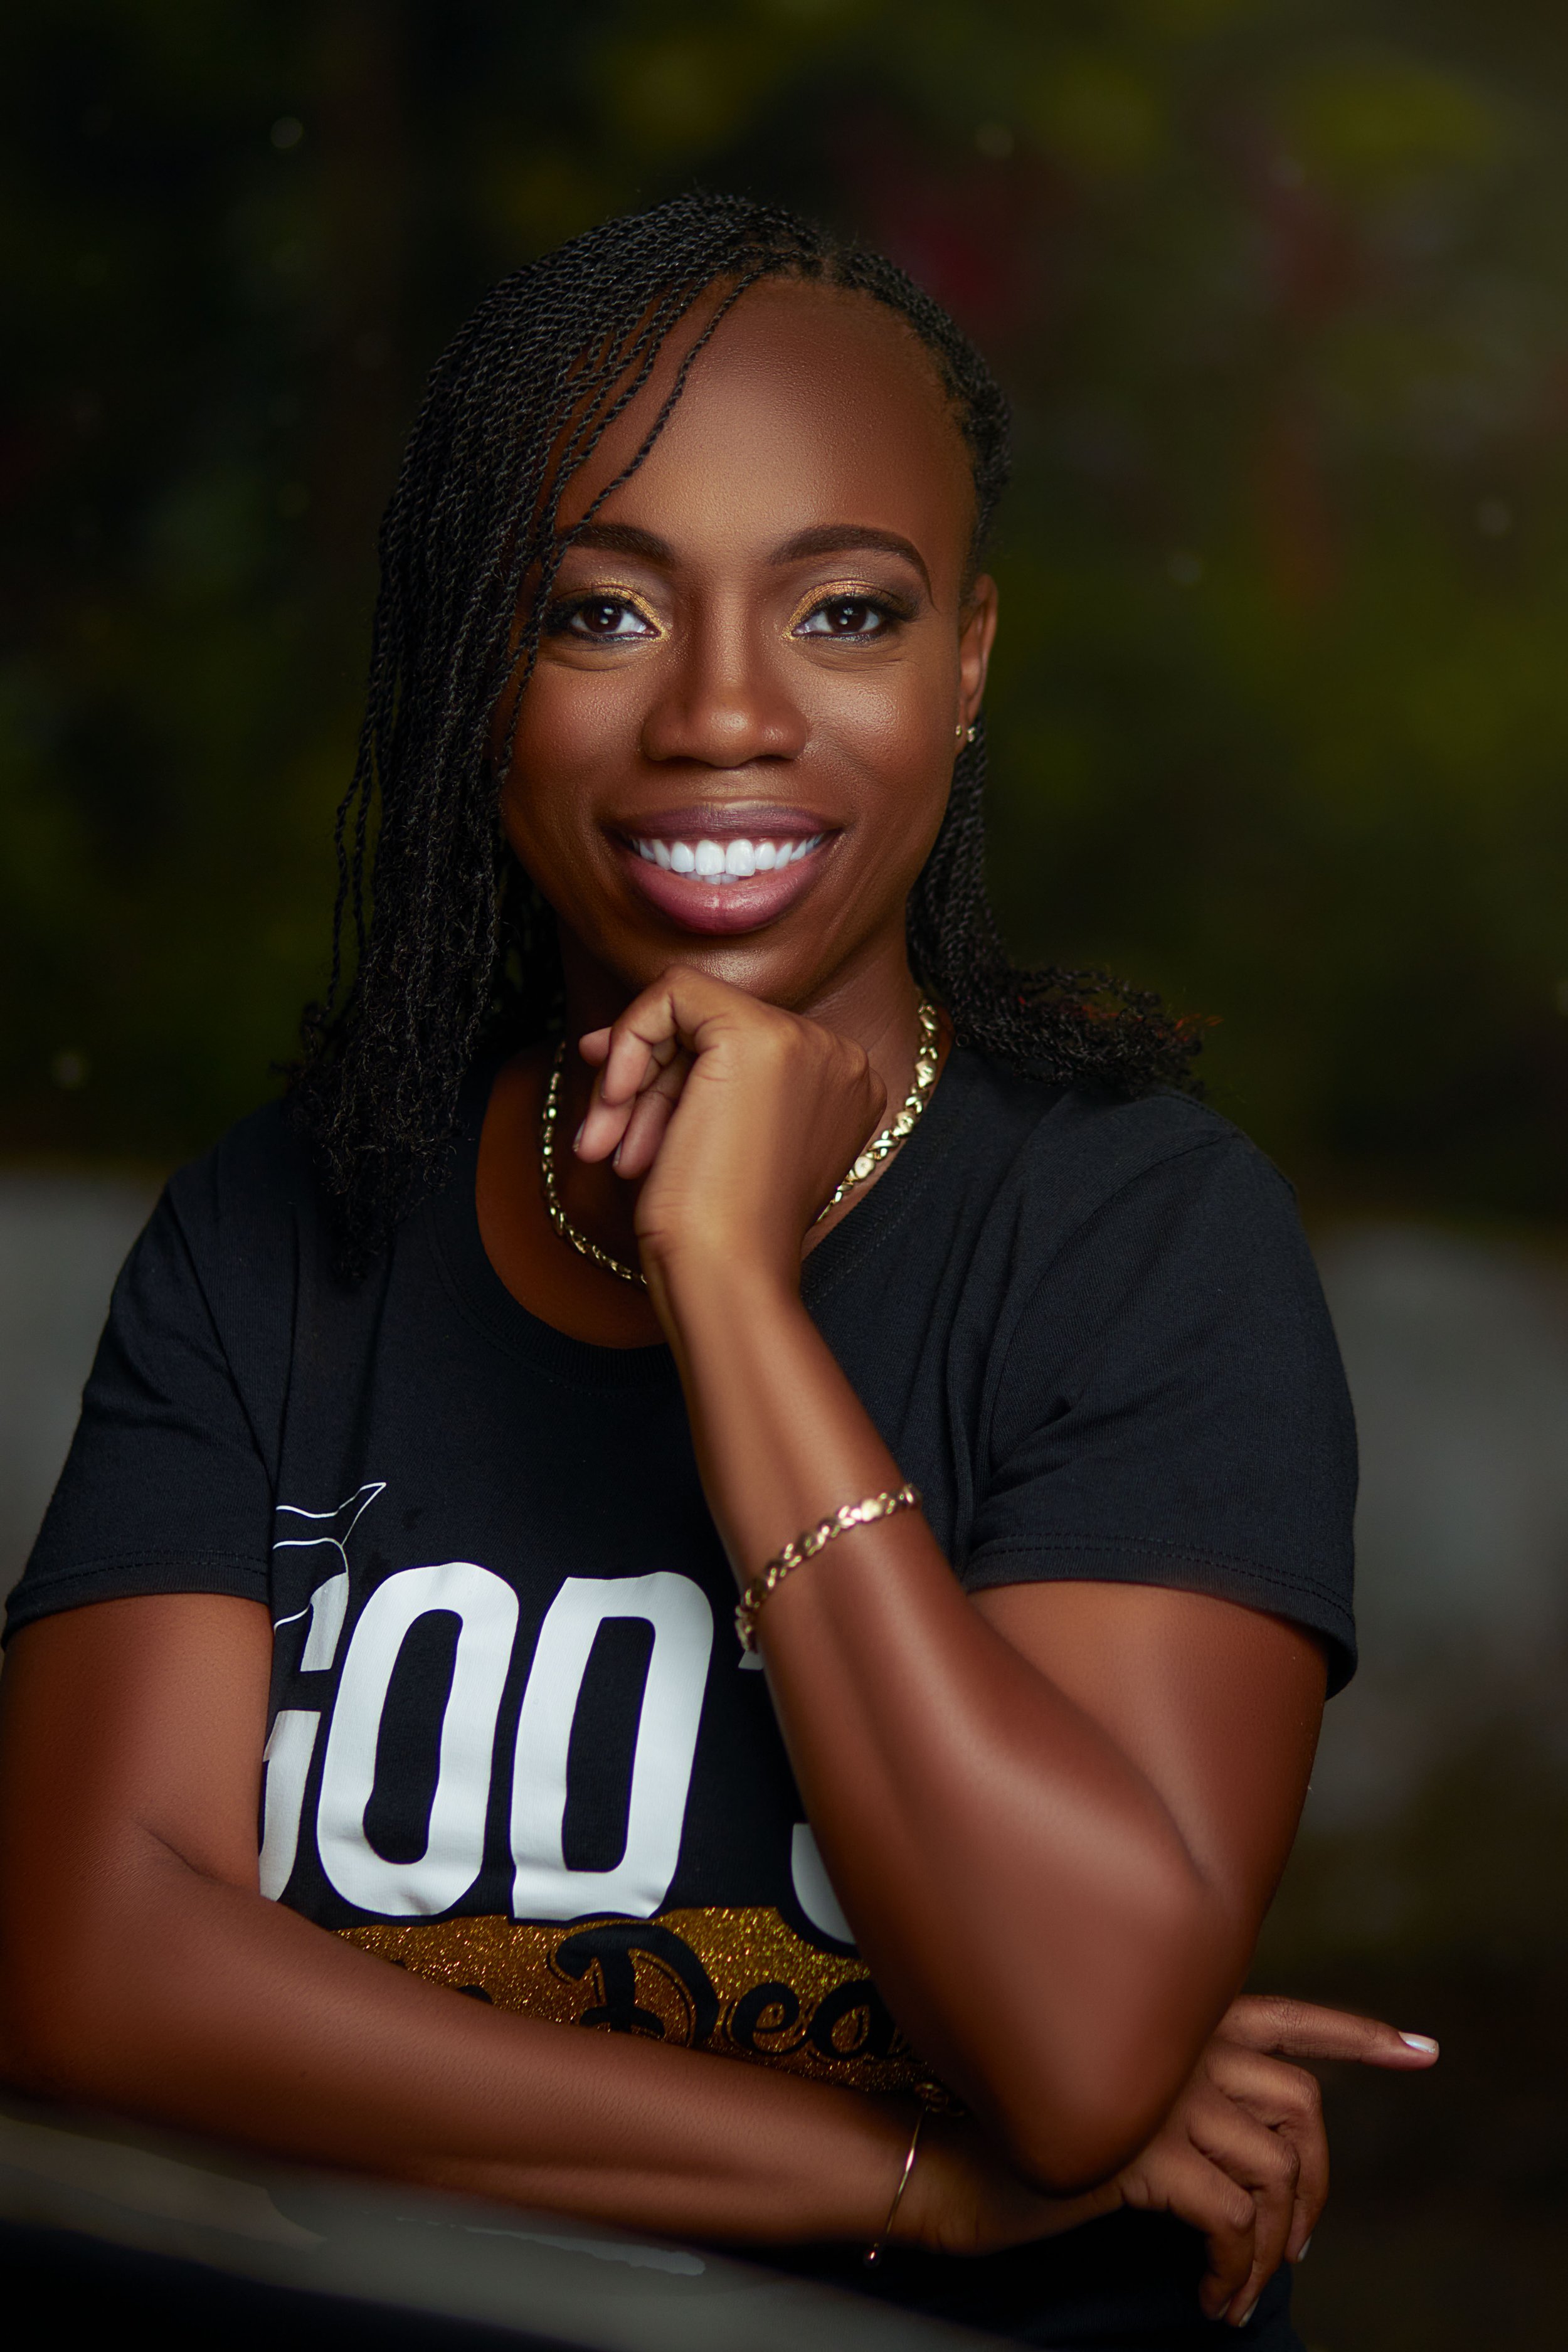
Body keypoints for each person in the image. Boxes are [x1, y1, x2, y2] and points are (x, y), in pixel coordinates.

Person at [0, 194, 1435, 2348]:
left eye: (844, 613)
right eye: (598, 612)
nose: (725, 718)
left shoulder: (1138, 1235)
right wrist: (900, 2180)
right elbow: (86, 1974)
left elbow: (1073, 2044)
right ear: (479, 668)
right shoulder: (281, 1231)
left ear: (967, 666)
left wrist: (733, 1301)